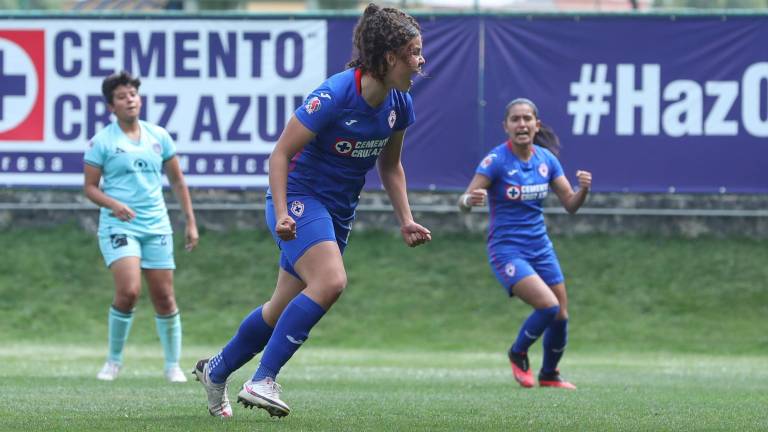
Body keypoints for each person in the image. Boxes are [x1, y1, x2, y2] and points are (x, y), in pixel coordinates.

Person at [193, 3, 431, 418]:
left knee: (278, 309)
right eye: (413, 52)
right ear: (390, 57)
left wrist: (406, 219)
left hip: (338, 212)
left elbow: (390, 166)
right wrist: (283, 212)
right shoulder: (334, 95)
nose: (420, 60)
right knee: (331, 281)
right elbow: (280, 154)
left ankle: (216, 370)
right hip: (299, 199)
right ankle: (262, 379)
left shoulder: (401, 103)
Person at [458, 98, 591, 390]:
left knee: (561, 315)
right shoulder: (496, 161)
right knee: (548, 306)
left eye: (527, 119)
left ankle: (549, 375)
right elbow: (463, 202)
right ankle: (518, 352)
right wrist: (470, 200)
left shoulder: (546, 160)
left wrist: (583, 190)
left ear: (536, 125)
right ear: (505, 126)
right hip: (507, 250)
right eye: (515, 119)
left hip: (540, 247)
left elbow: (570, 204)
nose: (522, 124)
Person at [84, 71, 199, 383]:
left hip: (156, 225)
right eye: (121, 97)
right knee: (129, 291)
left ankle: (173, 365)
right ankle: (113, 361)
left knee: (164, 297)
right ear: (112, 106)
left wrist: (190, 222)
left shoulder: (158, 136)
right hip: (120, 225)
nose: (129, 100)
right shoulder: (102, 142)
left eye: (132, 94)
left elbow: (177, 181)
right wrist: (114, 204)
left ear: (140, 99)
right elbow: (90, 188)